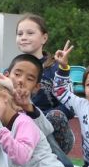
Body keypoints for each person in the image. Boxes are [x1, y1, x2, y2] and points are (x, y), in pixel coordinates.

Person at [0, 54, 79, 167]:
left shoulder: (27, 104)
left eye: (29, 79)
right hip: (6, 163)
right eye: (17, 74)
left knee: (40, 128)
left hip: (33, 158)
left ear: (36, 87)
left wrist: (28, 106)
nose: (21, 81)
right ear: (6, 76)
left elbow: (47, 130)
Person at [15, 13, 75, 155]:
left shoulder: (56, 69)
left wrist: (37, 117)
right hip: (23, 130)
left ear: (44, 38)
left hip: (51, 131)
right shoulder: (12, 70)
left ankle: (62, 164)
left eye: (30, 33)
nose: (23, 37)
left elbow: (70, 107)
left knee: (55, 116)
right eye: (20, 33)